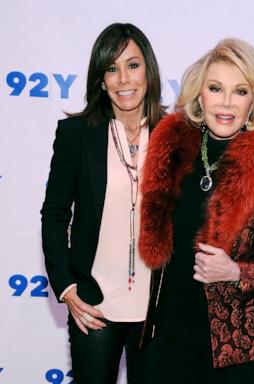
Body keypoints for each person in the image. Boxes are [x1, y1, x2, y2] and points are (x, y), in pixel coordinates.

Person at [138, 38, 254, 383]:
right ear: (200, 94)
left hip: (237, 343)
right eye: (216, 88)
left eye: (240, 91)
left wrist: (237, 272)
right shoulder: (173, 149)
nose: (226, 103)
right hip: (171, 334)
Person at [41, 23, 163, 384]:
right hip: (95, 305)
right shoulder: (76, 135)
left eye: (133, 65)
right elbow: (54, 214)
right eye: (112, 68)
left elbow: (227, 152)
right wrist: (65, 286)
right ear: (101, 78)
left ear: (149, 71)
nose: (123, 78)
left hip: (157, 310)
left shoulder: (175, 134)